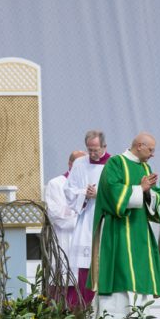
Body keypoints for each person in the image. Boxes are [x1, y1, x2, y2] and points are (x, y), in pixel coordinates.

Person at [89, 132, 160, 319]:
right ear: (139, 145)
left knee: (140, 271)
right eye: (151, 149)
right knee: (121, 271)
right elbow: (111, 193)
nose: (153, 154)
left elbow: (154, 195)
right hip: (119, 228)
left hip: (139, 228)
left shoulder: (145, 167)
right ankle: (112, 316)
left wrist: (158, 198)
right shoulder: (116, 163)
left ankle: (137, 316)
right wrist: (140, 189)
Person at [64, 130, 110, 307]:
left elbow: (119, 191)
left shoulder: (114, 163)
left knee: (105, 263)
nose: (92, 154)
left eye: (96, 150)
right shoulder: (79, 164)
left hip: (105, 218)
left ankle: (103, 308)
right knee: (85, 266)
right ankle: (82, 306)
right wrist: (85, 194)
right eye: (89, 150)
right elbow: (69, 190)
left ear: (104, 146)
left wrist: (99, 194)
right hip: (86, 219)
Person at [44, 149, 87, 258]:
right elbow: (55, 214)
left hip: (85, 238)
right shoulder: (56, 184)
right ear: (70, 164)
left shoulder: (90, 185)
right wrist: (79, 213)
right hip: (65, 238)